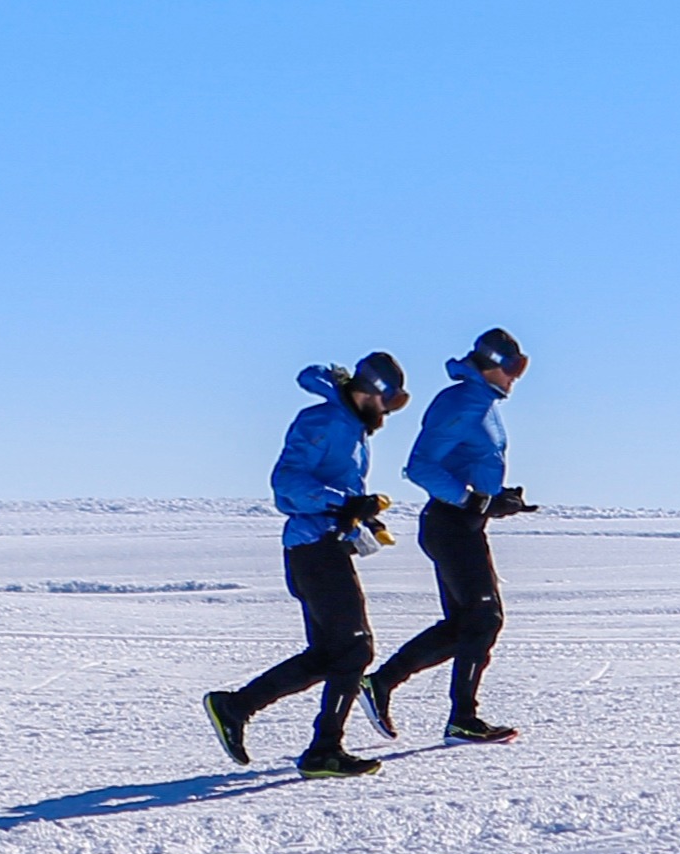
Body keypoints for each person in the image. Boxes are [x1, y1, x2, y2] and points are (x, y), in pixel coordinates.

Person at [202, 353, 408, 778]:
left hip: (325, 546)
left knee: (328, 655)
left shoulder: (351, 427)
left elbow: (334, 492)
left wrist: (361, 515)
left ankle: (235, 707)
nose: (388, 412)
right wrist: (343, 503)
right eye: (388, 402)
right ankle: (323, 751)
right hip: (313, 549)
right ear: (369, 392)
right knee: (354, 649)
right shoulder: (325, 422)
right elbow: (287, 485)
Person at [366, 328, 535, 744]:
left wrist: (498, 499)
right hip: (450, 524)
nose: (516, 376)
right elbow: (421, 465)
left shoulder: (484, 402)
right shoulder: (461, 401)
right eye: (512, 367)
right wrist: (470, 500)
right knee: (484, 619)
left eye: (521, 367)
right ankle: (461, 718)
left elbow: (471, 466)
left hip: (464, 524)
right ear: (491, 364)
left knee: (465, 624)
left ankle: (382, 684)